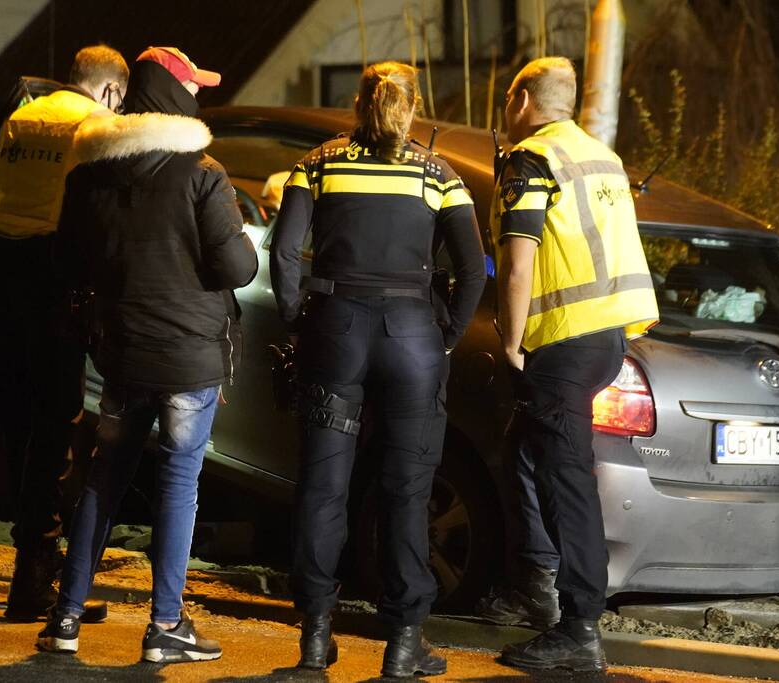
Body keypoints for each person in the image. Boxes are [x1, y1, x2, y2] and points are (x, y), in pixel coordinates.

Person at [36, 47, 257, 663]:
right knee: (178, 483)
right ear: (177, 95)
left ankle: (65, 618)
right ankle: (164, 626)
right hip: (189, 360)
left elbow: (65, 265)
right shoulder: (202, 173)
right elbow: (239, 267)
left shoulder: (88, 175)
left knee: (103, 480)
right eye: (195, 86)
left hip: (121, 356)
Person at [270, 61, 486, 679]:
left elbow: (284, 252)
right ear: (412, 107)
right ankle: (404, 643)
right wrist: (442, 336)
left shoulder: (317, 163)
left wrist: (296, 319)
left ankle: (314, 640)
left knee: (323, 487)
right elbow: (473, 271)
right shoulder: (437, 174)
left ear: (357, 103)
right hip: (412, 336)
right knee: (407, 490)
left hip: (335, 332)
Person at [490, 57, 659, 673]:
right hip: (608, 335)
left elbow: (518, 259)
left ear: (521, 99)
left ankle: (578, 628)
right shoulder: (601, 156)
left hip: (562, 338)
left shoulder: (533, 158)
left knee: (567, 481)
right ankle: (535, 582)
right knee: (526, 455)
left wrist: (511, 340)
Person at [0, 44, 128, 622]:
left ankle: (32, 562)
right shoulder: (93, 125)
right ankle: (34, 579)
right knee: (56, 425)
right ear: (112, 90)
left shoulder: (20, 116)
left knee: (19, 423)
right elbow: (101, 216)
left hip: (2, 274)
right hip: (52, 280)